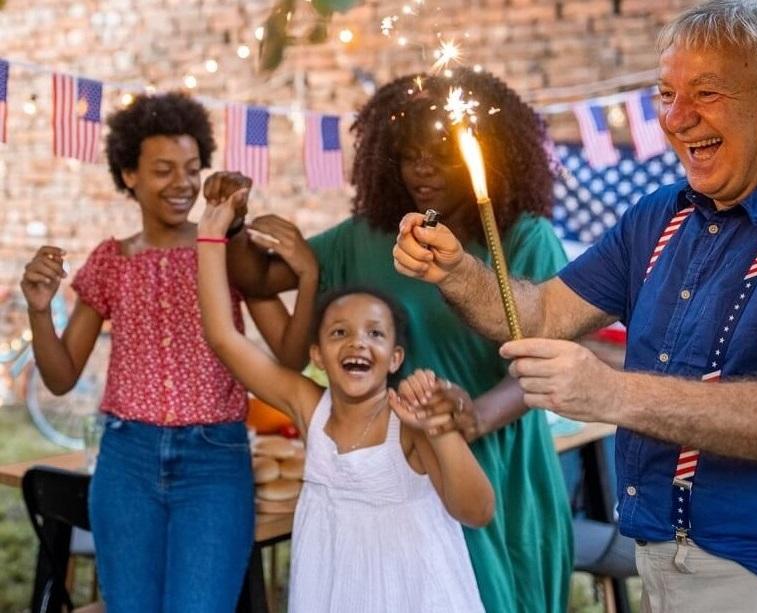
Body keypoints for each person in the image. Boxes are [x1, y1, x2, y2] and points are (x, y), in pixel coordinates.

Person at [393, 1, 757, 611]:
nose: (678, 119)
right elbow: (540, 315)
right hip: (667, 564)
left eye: (707, 93)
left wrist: (611, 393)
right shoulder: (659, 216)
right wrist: (459, 272)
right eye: (666, 93)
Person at [207, 68, 575, 612]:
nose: (421, 168)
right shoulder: (366, 236)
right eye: (407, 153)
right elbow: (258, 279)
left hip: (493, 450)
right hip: (396, 459)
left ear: (484, 155)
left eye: (440, 153)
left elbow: (553, 354)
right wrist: (231, 226)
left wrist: (473, 415)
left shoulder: (522, 238)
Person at [18, 92, 310, 612]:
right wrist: (40, 311)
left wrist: (308, 274)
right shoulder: (110, 261)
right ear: (128, 174)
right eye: (162, 170)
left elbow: (291, 357)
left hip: (214, 460)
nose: (182, 184)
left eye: (192, 169)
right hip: (126, 461)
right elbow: (61, 376)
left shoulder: (224, 248)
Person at [196, 193, 493, 611]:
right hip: (330, 591)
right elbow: (224, 339)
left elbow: (477, 510)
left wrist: (440, 431)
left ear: (395, 358)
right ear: (316, 355)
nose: (357, 341)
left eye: (375, 333)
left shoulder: (407, 421)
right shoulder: (308, 407)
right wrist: (210, 239)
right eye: (339, 332)